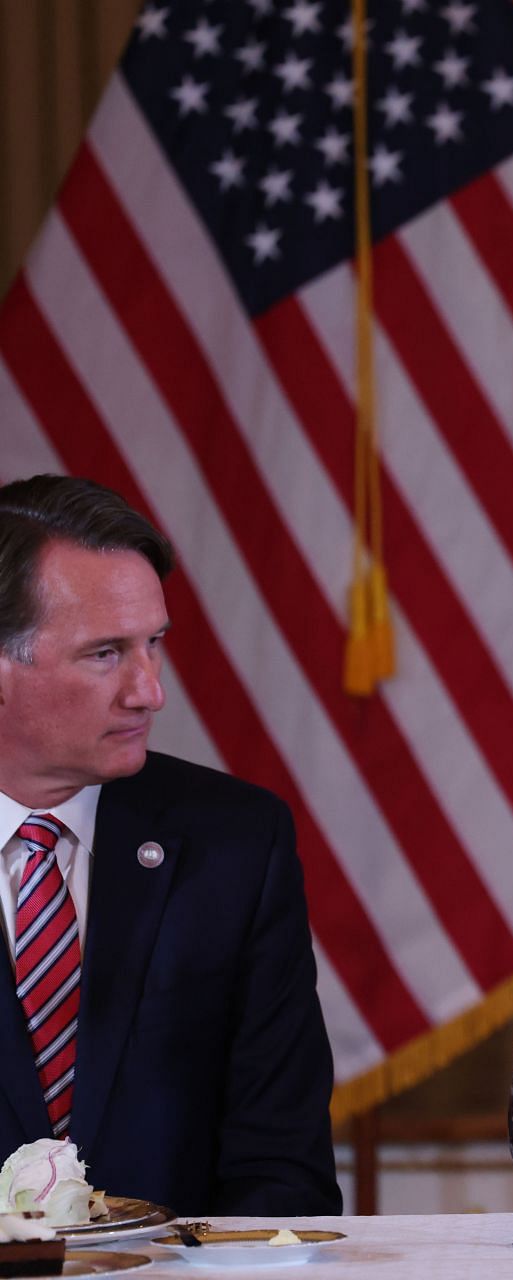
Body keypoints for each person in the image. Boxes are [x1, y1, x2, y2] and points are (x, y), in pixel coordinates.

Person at [0, 475, 339, 1215]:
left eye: (153, 644)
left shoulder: (238, 845)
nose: (149, 691)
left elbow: (283, 1169)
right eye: (105, 654)